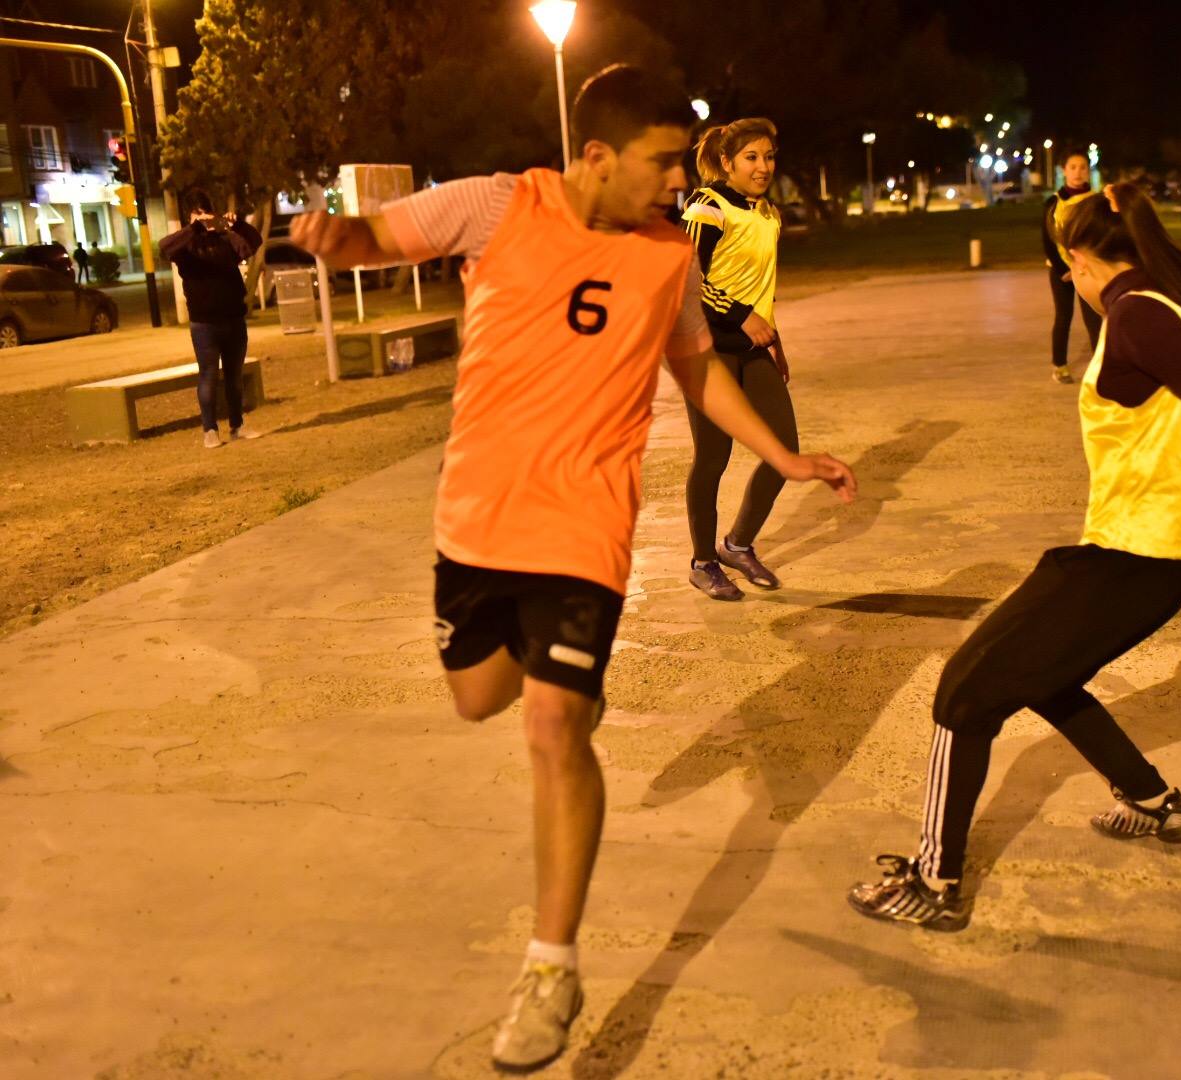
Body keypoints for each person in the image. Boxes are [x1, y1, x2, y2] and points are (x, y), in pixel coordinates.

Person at [290, 65, 856, 1072]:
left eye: (684, 162)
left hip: (586, 521)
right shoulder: (497, 206)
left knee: (553, 724)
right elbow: (383, 236)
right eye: (663, 161)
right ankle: (549, 667)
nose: (678, 180)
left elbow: (696, 369)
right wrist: (340, 240)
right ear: (596, 156)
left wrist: (782, 457)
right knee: (478, 700)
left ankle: (550, 966)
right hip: (476, 520)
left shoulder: (669, 254)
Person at [848, 182, 1181, 932]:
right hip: (1131, 557)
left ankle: (934, 885)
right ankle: (1155, 804)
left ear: (1081, 259)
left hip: (1131, 563)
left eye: (1068, 270)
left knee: (964, 691)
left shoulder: (1136, 316)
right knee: (1044, 675)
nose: (1069, 283)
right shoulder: (1172, 313)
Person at [680, 117, 797, 600]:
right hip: (705, 347)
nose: (763, 166)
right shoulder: (707, 207)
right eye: (751, 157)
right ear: (727, 162)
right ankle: (703, 561)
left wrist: (773, 337)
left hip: (751, 349)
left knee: (783, 452)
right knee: (714, 456)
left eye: (769, 156)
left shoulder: (769, 213)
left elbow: (760, 287)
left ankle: (737, 544)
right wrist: (741, 314)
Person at [158, 192, 262, 449]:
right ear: (190, 218)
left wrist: (234, 224)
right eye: (197, 213)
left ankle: (237, 426)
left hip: (233, 318)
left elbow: (252, 244)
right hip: (204, 323)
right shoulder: (185, 248)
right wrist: (194, 228)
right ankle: (210, 430)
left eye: (206, 212)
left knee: (234, 376)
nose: (203, 217)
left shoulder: (226, 241)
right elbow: (164, 247)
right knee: (208, 375)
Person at [1041, 150, 1102, 384]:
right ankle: (1060, 365)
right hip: (1061, 271)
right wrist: (1062, 269)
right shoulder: (1053, 202)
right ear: (1064, 171)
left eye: (1083, 167)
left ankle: (1099, 367)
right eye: (1073, 167)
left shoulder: (1097, 201)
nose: (1078, 172)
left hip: (1089, 268)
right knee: (1063, 317)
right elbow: (1047, 239)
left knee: (1094, 318)